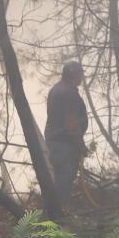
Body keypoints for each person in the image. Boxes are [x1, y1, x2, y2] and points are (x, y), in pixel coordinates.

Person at [44, 61, 88, 208]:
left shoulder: (58, 89)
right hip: (64, 143)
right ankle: (57, 214)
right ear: (74, 74)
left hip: (58, 141)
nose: (82, 76)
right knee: (64, 180)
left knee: (62, 179)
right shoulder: (68, 92)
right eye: (80, 73)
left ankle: (57, 212)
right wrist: (81, 145)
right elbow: (71, 122)